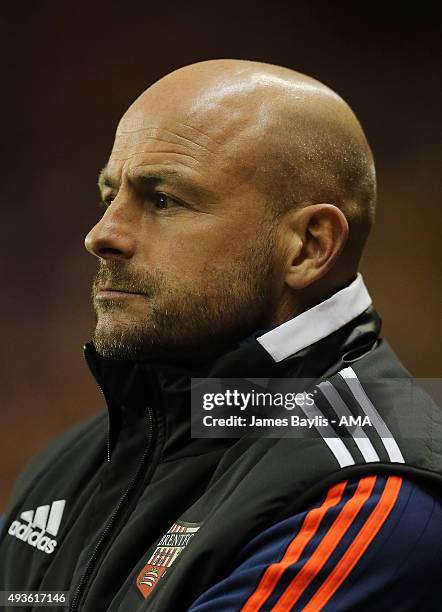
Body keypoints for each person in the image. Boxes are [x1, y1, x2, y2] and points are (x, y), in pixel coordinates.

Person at [1, 59, 441, 611]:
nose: (101, 234)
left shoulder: (370, 494)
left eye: (162, 200)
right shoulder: (71, 463)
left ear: (309, 246)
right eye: (108, 196)